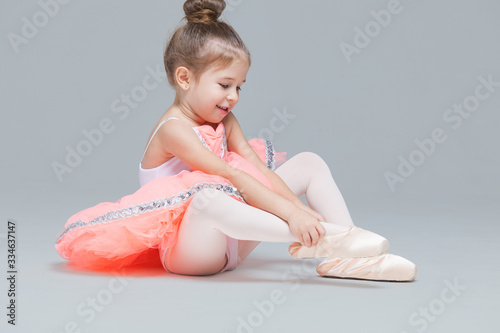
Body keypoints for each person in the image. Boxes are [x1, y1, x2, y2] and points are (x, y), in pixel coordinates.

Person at [55, 0, 417, 282]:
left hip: (235, 242)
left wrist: (298, 205)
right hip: (192, 252)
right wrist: (293, 213)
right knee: (207, 197)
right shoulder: (173, 129)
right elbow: (233, 176)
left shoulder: (225, 120)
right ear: (184, 78)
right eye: (225, 85)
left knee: (309, 162)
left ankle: (348, 258)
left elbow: (257, 170)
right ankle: (333, 239)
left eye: (239, 87)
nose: (233, 97)